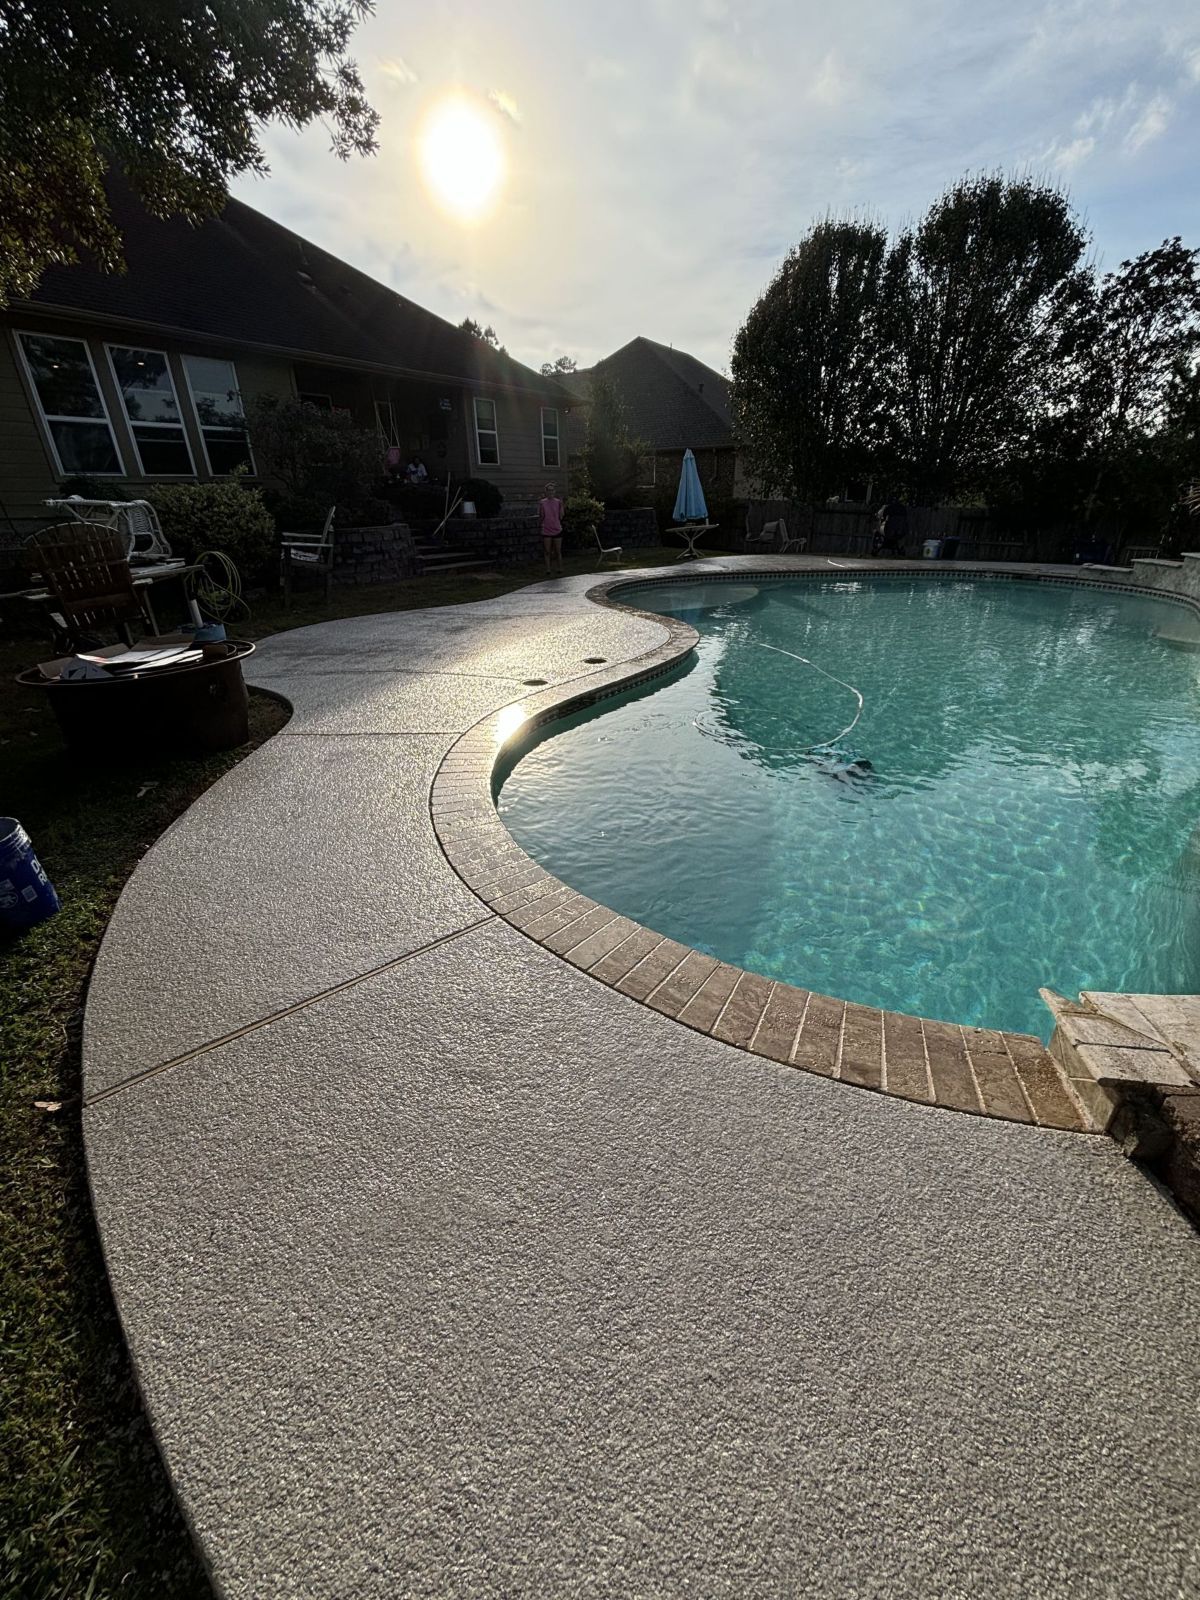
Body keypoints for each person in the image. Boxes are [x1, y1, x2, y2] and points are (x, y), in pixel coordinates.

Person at [539, 482, 564, 575]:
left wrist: (562, 505)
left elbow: (561, 516)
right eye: (548, 490)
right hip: (546, 529)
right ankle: (548, 569)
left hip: (557, 529)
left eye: (552, 490)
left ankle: (560, 568)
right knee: (547, 551)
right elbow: (541, 516)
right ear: (546, 491)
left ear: (554, 491)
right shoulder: (542, 502)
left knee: (558, 551)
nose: (550, 492)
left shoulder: (558, 502)